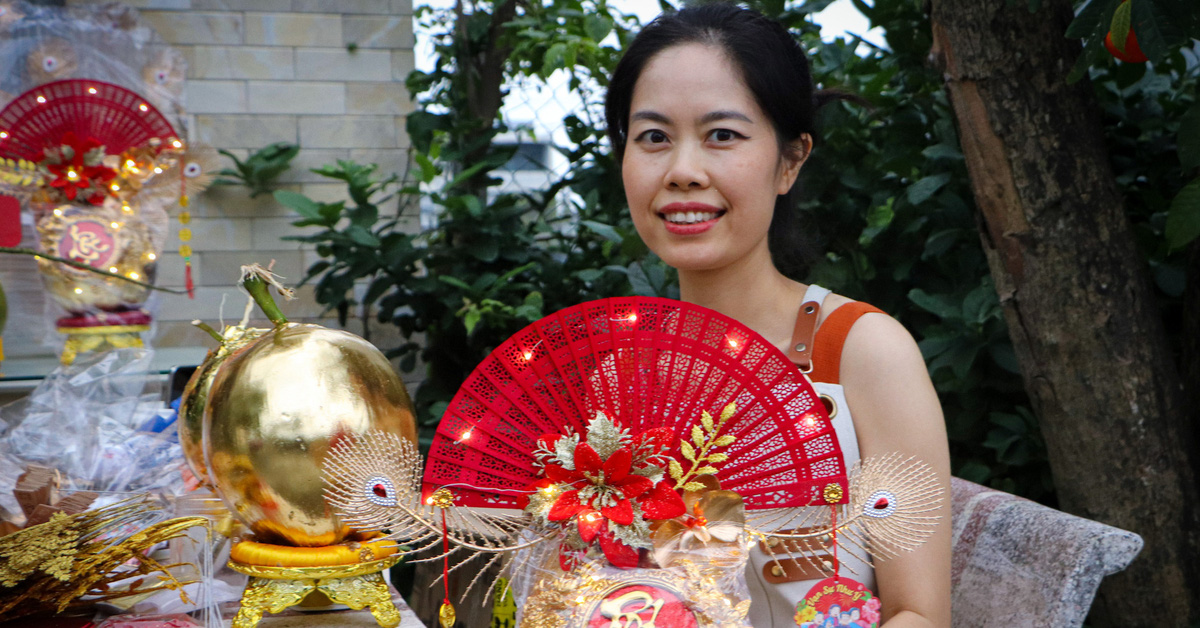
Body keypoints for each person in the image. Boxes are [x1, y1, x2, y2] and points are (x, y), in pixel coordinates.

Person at [603, 3, 951, 627]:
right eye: (653, 136)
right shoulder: (620, 371)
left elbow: (919, 614)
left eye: (723, 135)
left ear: (790, 161)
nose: (683, 171)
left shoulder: (864, 352)